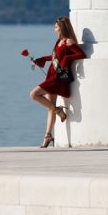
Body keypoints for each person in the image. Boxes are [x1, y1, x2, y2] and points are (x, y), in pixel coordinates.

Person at [29, 16, 86, 148]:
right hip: (52, 73)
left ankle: (59, 111)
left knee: (33, 94)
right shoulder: (59, 41)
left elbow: (81, 54)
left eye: (56, 27)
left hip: (58, 77)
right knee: (50, 108)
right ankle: (48, 136)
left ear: (62, 27)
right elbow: (55, 57)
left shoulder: (68, 41)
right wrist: (41, 59)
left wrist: (66, 58)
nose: (55, 29)